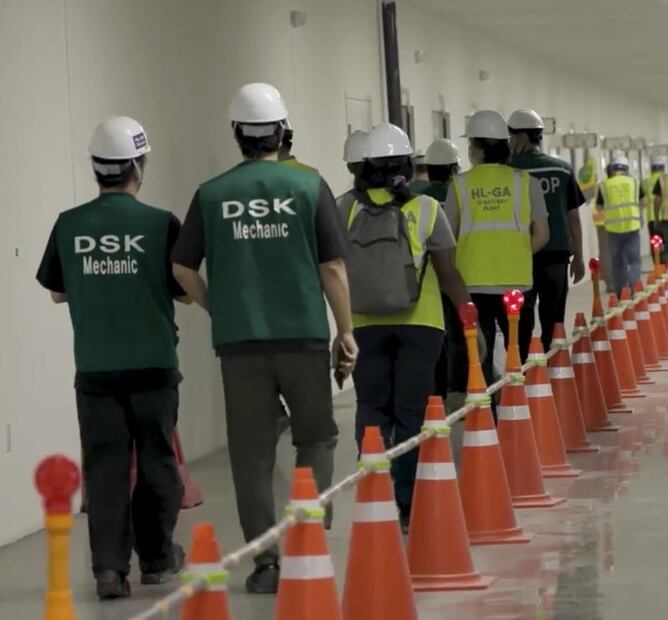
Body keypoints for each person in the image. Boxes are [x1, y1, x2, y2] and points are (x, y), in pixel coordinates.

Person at [170, 83, 356, 594]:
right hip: (303, 338)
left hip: (240, 346)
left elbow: (182, 269)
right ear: (281, 131)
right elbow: (333, 268)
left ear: (237, 133)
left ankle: (266, 563)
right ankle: (307, 539)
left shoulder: (211, 194)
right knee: (315, 437)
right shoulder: (309, 185)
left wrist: (221, 307)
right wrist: (346, 331)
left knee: (251, 455)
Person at [36, 117, 186, 599]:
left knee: (105, 470)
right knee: (158, 463)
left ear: (96, 168)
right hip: (154, 365)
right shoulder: (161, 223)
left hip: (96, 369)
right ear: (138, 166)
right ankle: (157, 559)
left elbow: (57, 292)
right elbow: (183, 290)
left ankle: (108, 570)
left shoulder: (69, 224)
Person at [340, 124, 471, 532]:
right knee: (410, 412)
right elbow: (449, 274)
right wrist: (469, 319)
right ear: (407, 166)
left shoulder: (344, 208)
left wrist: (339, 328)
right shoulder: (427, 209)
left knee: (371, 407)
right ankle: (407, 504)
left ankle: (373, 493)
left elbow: (330, 269)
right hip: (422, 324)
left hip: (363, 324)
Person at [443, 109, 549, 383]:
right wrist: (520, 254)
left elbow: (448, 237)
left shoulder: (459, 185)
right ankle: (521, 400)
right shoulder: (526, 182)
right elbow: (542, 234)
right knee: (518, 352)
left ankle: (486, 406)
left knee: (480, 355)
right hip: (517, 281)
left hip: (472, 282)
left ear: (476, 148)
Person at [507, 108, 586, 358]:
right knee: (554, 319)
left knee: (521, 319)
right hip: (557, 255)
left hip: (521, 256)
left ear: (519, 137)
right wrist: (579, 257)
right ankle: (555, 367)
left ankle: (521, 368)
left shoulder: (507, 171)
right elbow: (574, 218)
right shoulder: (562, 170)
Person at [415, 139, 466, 400]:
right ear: (454, 168)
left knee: (436, 336)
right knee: (459, 333)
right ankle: (458, 388)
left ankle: (437, 392)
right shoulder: (459, 194)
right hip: (456, 274)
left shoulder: (418, 197)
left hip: (426, 279)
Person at [595, 155, 644, 296]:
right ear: (626, 169)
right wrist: (639, 214)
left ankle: (620, 292)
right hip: (632, 227)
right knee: (634, 261)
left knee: (617, 263)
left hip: (613, 230)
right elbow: (643, 201)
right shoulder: (634, 182)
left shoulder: (605, 185)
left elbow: (599, 207)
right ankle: (634, 287)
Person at [643, 156, 667, 238]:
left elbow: (643, 200)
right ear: (663, 168)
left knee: (655, 241)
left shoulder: (645, 182)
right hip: (666, 217)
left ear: (651, 168)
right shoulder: (666, 180)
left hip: (651, 218)